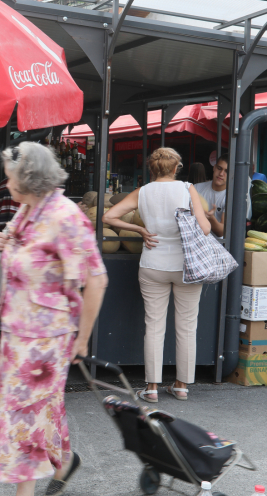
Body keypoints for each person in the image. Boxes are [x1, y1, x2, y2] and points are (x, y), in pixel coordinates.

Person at [0, 142, 108, 496]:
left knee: (23, 414)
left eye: (10, 178)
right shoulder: (27, 210)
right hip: (16, 331)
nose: (6, 184)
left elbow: (97, 279)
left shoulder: (66, 216)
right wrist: (2, 242)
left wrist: (82, 339)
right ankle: (63, 463)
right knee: (37, 407)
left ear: (29, 179)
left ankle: (24, 493)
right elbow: (23, 253)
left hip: (46, 338)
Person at [103, 147, 211, 403]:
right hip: (187, 266)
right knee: (187, 326)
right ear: (176, 168)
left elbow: (109, 216)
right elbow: (205, 229)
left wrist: (139, 230)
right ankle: (181, 386)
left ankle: (151, 388)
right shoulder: (187, 189)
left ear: (151, 169)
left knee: (154, 325)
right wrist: (203, 218)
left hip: (152, 264)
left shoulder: (143, 192)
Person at [195, 153, 228, 238]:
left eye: (226, 171)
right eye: (219, 168)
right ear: (214, 167)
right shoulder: (196, 188)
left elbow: (221, 231)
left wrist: (210, 218)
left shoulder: (231, 196)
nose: (221, 173)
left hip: (218, 247)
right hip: (196, 243)